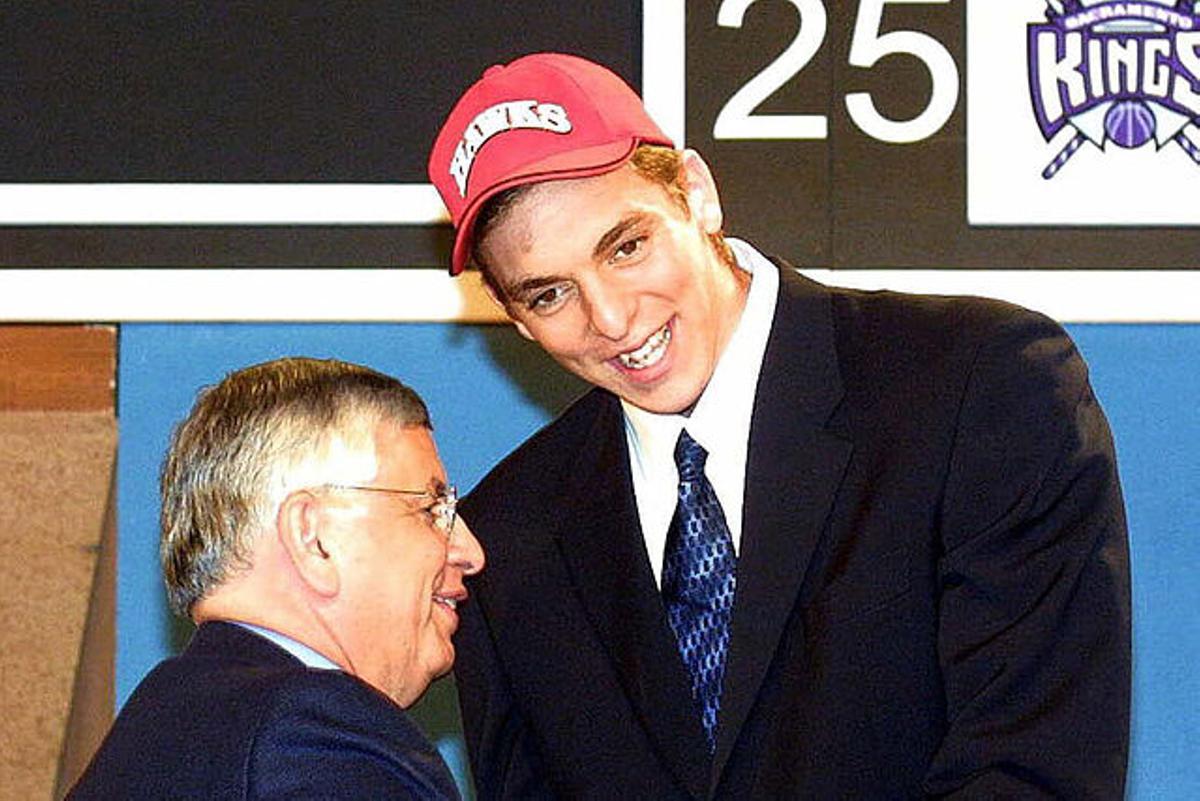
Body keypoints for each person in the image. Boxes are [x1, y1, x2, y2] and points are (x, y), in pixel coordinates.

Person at [427, 52, 1132, 799]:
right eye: (549, 295)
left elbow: (1034, 769)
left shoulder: (976, 386)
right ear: (517, 321)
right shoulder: (508, 541)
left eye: (627, 246)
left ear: (696, 194)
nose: (610, 316)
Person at [67, 357, 484, 800]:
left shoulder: (158, 730)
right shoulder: (314, 745)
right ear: (313, 538)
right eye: (431, 510)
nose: (469, 551)